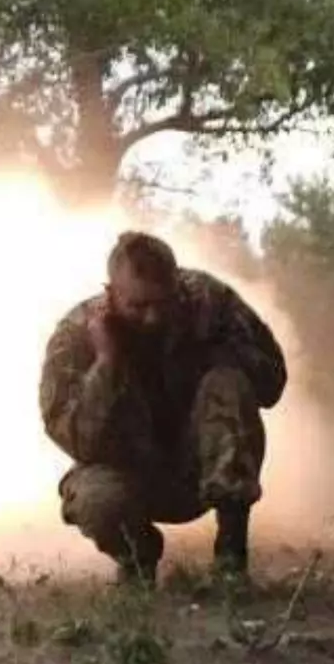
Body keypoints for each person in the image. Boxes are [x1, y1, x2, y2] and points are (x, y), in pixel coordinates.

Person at [38, 230, 287, 588]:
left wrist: (213, 354)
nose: (152, 318)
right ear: (111, 294)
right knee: (95, 501)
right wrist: (107, 362)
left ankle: (231, 559)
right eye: (138, 307)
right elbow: (79, 441)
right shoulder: (77, 335)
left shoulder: (211, 304)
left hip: (200, 468)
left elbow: (271, 383)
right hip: (128, 476)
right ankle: (137, 560)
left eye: (163, 303)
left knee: (227, 384)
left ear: (178, 287)